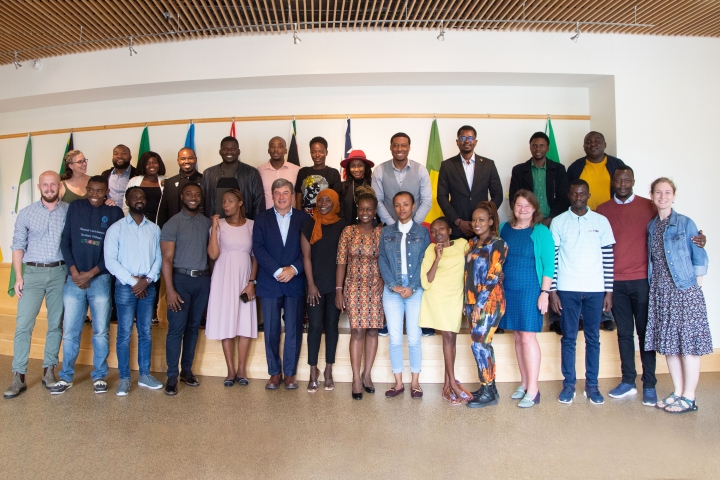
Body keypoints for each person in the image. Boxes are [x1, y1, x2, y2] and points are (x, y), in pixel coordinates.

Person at [597, 167, 707, 406]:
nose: (623, 183)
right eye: (619, 180)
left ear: (634, 182)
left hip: (647, 283)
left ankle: (650, 385)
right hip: (618, 283)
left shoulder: (650, 207)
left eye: (627, 179)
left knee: (647, 335)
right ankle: (628, 381)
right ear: (613, 182)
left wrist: (700, 241)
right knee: (624, 334)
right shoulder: (603, 210)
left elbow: (690, 243)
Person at [51, 176, 123, 395]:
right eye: (91, 190)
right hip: (74, 279)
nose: (94, 195)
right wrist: (74, 272)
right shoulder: (75, 207)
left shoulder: (115, 213)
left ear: (106, 191)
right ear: (86, 189)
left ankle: (99, 375)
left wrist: (91, 273)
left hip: (100, 279)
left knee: (100, 331)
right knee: (70, 331)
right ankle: (66, 377)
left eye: (99, 191)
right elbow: (66, 241)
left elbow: (115, 251)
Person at [645, 178, 711, 414]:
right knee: (670, 346)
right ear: (651, 195)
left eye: (667, 192)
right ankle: (678, 391)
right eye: (658, 192)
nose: (663, 196)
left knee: (689, 345)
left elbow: (700, 257)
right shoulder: (652, 226)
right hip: (661, 292)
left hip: (684, 291)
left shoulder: (685, 223)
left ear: (674, 196)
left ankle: (690, 397)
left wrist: (693, 290)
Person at [549, 179, 615, 405]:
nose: (578, 197)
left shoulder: (601, 221)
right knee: (568, 338)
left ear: (588, 195)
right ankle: (568, 385)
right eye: (574, 194)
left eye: (582, 194)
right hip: (567, 289)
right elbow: (554, 259)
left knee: (593, 339)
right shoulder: (558, 222)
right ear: (569, 195)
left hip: (596, 290)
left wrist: (609, 291)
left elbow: (608, 257)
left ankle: (592, 386)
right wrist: (553, 290)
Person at [4, 172, 68, 399]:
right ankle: (18, 376)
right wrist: (18, 277)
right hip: (31, 273)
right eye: (45, 184)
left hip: (60, 273)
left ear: (59, 186)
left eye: (53, 184)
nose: (49, 188)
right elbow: (18, 246)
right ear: (40, 187)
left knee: (55, 324)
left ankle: (49, 370)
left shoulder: (69, 211)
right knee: (23, 325)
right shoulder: (26, 213)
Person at [372, 133, 433, 336]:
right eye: (396, 145)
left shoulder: (420, 170)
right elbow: (378, 200)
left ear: (409, 147)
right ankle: (391, 321)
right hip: (390, 229)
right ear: (390, 147)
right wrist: (394, 224)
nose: (400, 148)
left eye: (404, 145)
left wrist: (411, 225)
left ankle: (422, 321)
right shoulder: (379, 170)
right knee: (391, 264)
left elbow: (427, 200)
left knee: (418, 264)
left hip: (414, 229)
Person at [104, 187, 163, 396]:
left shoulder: (154, 229)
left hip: (148, 287)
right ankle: (124, 378)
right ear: (127, 201)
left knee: (146, 332)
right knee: (124, 333)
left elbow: (159, 258)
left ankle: (145, 375)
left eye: (142, 197)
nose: (139, 200)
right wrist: (133, 282)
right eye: (134, 197)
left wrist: (146, 280)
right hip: (125, 288)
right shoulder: (116, 229)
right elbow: (110, 260)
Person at [498, 190, 554, 408]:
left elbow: (549, 264)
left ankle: (533, 389)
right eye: (519, 205)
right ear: (513, 207)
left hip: (531, 289)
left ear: (534, 209)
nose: (522, 209)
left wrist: (545, 293)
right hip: (508, 289)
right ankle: (524, 383)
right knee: (518, 336)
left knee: (528, 337)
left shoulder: (540, 231)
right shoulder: (504, 228)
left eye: (527, 206)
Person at [252, 178, 310, 390]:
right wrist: (277, 271)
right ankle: (274, 373)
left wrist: (293, 269)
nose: (282, 197)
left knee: (293, 329)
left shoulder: (304, 218)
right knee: (271, 330)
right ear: (272, 195)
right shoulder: (262, 219)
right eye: (278, 193)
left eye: (286, 193)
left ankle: (290, 374)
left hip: (295, 282)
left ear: (293, 196)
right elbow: (258, 248)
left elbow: (308, 251)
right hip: (270, 281)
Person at [160, 182, 212, 396]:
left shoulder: (208, 223)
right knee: (176, 329)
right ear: (182, 197)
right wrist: (170, 290)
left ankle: (186, 370)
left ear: (201, 198)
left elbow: (213, 254)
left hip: (202, 281)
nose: (193, 197)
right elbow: (166, 259)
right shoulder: (172, 223)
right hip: (180, 281)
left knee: (193, 328)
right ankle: (172, 375)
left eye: (197, 194)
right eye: (189, 194)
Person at [379, 191, 431, 399]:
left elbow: (425, 261)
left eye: (406, 204)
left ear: (413, 206)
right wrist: (394, 285)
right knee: (394, 338)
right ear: (394, 208)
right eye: (398, 205)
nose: (402, 209)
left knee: (414, 338)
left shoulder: (422, 232)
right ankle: (398, 383)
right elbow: (382, 259)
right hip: (392, 292)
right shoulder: (386, 232)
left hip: (415, 291)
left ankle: (415, 383)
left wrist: (412, 286)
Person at [336, 186, 384, 400]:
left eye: (369, 209)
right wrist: (339, 290)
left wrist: (383, 278)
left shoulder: (381, 232)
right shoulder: (348, 231)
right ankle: (355, 377)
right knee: (357, 332)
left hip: (376, 287)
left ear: (375, 211)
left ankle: (367, 375)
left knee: (373, 331)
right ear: (358, 210)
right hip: (353, 287)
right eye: (362, 209)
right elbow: (340, 263)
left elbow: (387, 260)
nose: (365, 213)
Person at [206, 189, 258, 387]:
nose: (225, 205)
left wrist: (251, 282)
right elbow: (212, 254)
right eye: (223, 201)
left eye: (230, 201)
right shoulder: (218, 225)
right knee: (227, 320)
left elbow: (256, 257)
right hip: (223, 276)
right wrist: (214, 226)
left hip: (245, 276)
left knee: (244, 321)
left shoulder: (252, 225)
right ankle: (230, 370)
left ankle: (242, 369)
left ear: (240, 202)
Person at [418, 217, 470, 405]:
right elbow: (426, 281)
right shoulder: (430, 250)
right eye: (433, 231)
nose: (437, 233)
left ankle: (448, 384)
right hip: (437, 299)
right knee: (448, 338)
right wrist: (438, 257)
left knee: (451, 339)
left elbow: (471, 267)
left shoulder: (463, 244)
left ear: (449, 230)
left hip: (455, 298)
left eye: (441, 229)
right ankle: (452, 384)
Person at [301, 189, 347, 392]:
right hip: (315, 286)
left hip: (335, 284)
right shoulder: (309, 223)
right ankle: (313, 371)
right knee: (315, 327)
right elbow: (306, 257)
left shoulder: (343, 225)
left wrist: (340, 289)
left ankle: (328, 370)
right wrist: (311, 284)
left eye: (328, 199)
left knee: (331, 326)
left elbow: (343, 258)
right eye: (320, 200)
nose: (324, 203)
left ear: (335, 202)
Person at [463, 201, 507, 408]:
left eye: (481, 219)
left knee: (479, 344)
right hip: (473, 302)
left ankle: (488, 390)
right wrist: (468, 303)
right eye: (474, 220)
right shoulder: (472, 243)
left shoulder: (498, 243)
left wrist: (479, 304)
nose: (476, 223)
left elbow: (492, 276)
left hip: (490, 302)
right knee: (483, 345)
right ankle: (488, 387)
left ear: (490, 221)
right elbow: (468, 275)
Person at [437, 125, 504, 240]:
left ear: (475, 142)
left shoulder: (488, 165)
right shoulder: (447, 165)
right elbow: (441, 196)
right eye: (463, 138)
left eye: (470, 138)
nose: (467, 141)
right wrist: (458, 222)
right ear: (457, 142)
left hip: (483, 229)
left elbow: (498, 194)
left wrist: (485, 217)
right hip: (457, 228)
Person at [508, 132, 569, 227]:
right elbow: (513, 198)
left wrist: (550, 219)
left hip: (554, 221)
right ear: (530, 148)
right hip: (526, 222)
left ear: (548, 148)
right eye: (534, 146)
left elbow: (563, 198)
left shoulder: (559, 169)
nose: (538, 149)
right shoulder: (518, 170)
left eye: (542, 146)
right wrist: (525, 218)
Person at [202, 136, 265, 220]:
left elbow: (259, 203)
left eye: (233, 149)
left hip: (243, 226)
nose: (229, 152)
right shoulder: (208, 174)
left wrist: (257, 226)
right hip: (215, 226)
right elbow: (201, 203)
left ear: (239, 152)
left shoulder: (251, 173)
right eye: (225, 149)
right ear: (220, 152)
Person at [157, 147, 203, 228]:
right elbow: (163, 210)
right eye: (183, 159)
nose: (187, 161)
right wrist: (161, 229)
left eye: (190, 158)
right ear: (178, 161)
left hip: (198, 228)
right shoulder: (169, 182)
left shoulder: (204, 180)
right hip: (174, 228)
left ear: (196, 159)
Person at [295, 137, 341, 215]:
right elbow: (299, 196)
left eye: (321, 151)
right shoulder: (303, 171)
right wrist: (299, 215)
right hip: (305, 216)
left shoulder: (333, 173)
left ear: (326, 152)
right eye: (313, 152)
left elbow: (336, 199)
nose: (317, 155)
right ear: (310, 153)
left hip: (326, 216)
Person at [258, 136, 300, 209]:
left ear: (285, 151)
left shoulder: (297, 170)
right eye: (272, 146)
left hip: (292, 217)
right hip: (267, 217)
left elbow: (299, 196)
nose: (276, 149)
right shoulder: (259, 171)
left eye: (280, 146)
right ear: (268, 150)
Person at [124, 151, 167, 223]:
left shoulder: (167, 181)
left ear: (159, 164)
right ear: (143, 165)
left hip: (161, 223)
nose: (151, 165)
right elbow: (126, 206)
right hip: (137, 223)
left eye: (154, 162)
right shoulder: (134, 181)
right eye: (147, 163)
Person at [339, 150, 375, 223]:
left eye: (360, 165)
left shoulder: (373, 184)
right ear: (349, 168)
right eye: (352, 166)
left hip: (369, 227)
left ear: (365, 167)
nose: (356, 169)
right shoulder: (343, 186)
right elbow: (341, 210)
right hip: (348, 227)